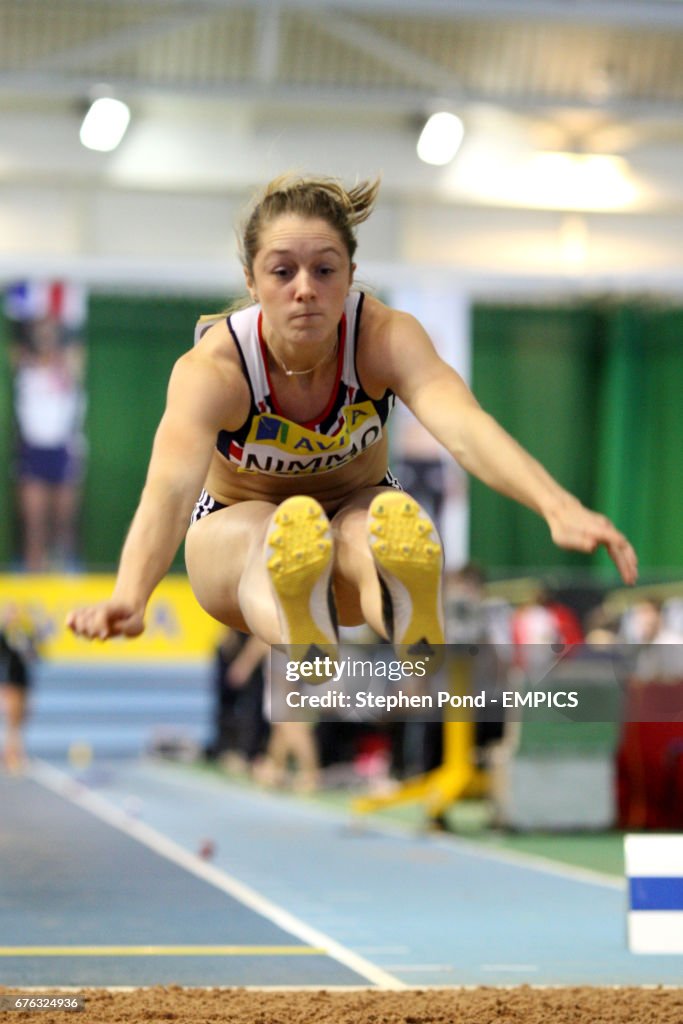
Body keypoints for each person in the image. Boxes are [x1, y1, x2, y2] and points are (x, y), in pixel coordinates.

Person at [66, 174, 638, 666]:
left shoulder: (384, 338)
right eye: (282, 272)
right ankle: (300, 623)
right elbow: (169, 489)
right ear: (251, 281)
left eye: (324, 270)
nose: (305, 291)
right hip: (236, 530)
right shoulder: (215, 369)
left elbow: (465, 426)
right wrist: (130, 593)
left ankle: (408, 620)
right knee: (272, 531)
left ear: (351, 274)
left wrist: (556, 505)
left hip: (357, 504)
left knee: (373, 530)